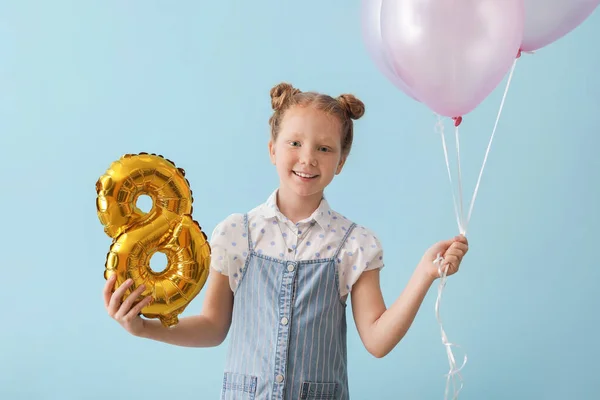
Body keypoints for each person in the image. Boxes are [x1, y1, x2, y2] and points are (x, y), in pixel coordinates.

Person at [103, 82, 469, 399]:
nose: (307, 158)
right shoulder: (236, 234)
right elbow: (214, 327)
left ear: (341, 161)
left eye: (325, 149)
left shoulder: (354, 244)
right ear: (272, 149)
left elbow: (377, 341)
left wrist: (424, 274)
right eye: (294, 142)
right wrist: (143, 327)